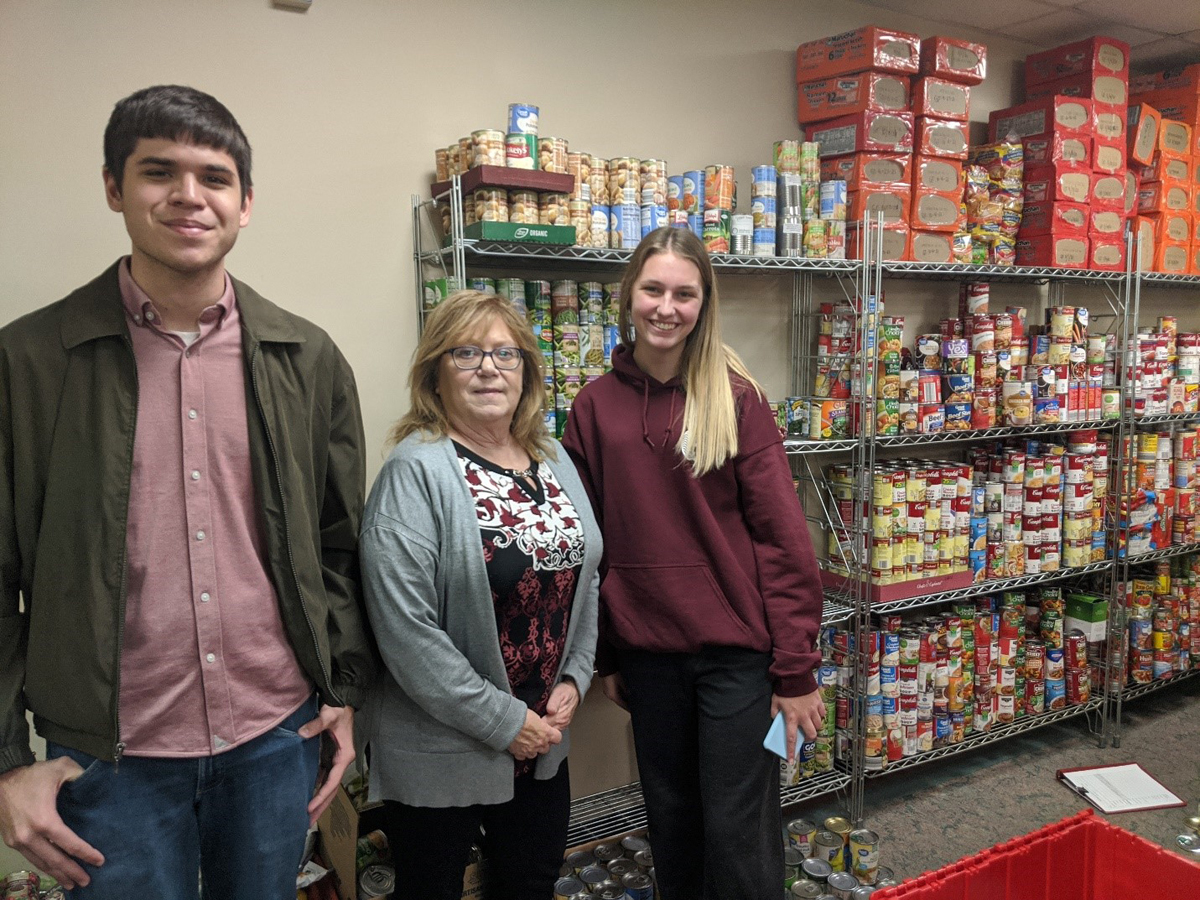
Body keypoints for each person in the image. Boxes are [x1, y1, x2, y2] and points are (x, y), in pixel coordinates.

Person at [0, 85, 377, 899]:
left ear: (246, 201)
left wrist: (342, 692)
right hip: (108, 758)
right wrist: (5, 763)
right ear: (113, 188)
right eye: (157, 172)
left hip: (276, 737)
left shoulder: (306, 359)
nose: (188, 196)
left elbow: (340, 543)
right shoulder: (28, 363)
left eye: (214, 176)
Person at [562, 226, 826, 900]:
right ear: (629, 296)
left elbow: (784, 543)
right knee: (673, 826)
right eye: (653, 289)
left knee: (740, 836)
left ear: (704, 304)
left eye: (685, 293)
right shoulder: (594, 408)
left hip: (739, 660)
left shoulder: (736, 398)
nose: (666, 307)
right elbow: (589, 545)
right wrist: (611, 657)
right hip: (651, 660)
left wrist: (795, 671)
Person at [359, 289, 601, 900]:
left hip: (543, 737)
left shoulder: (553, 459)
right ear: (435, 373)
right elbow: (405, 632)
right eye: (465, 353)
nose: (489, 368)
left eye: (505, 354)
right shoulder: (416, 471)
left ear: (527, 371)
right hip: (446, 744)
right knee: (433, 890)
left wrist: (575, 676)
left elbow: (587, 578)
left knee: (530, 882)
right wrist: (502, 721)